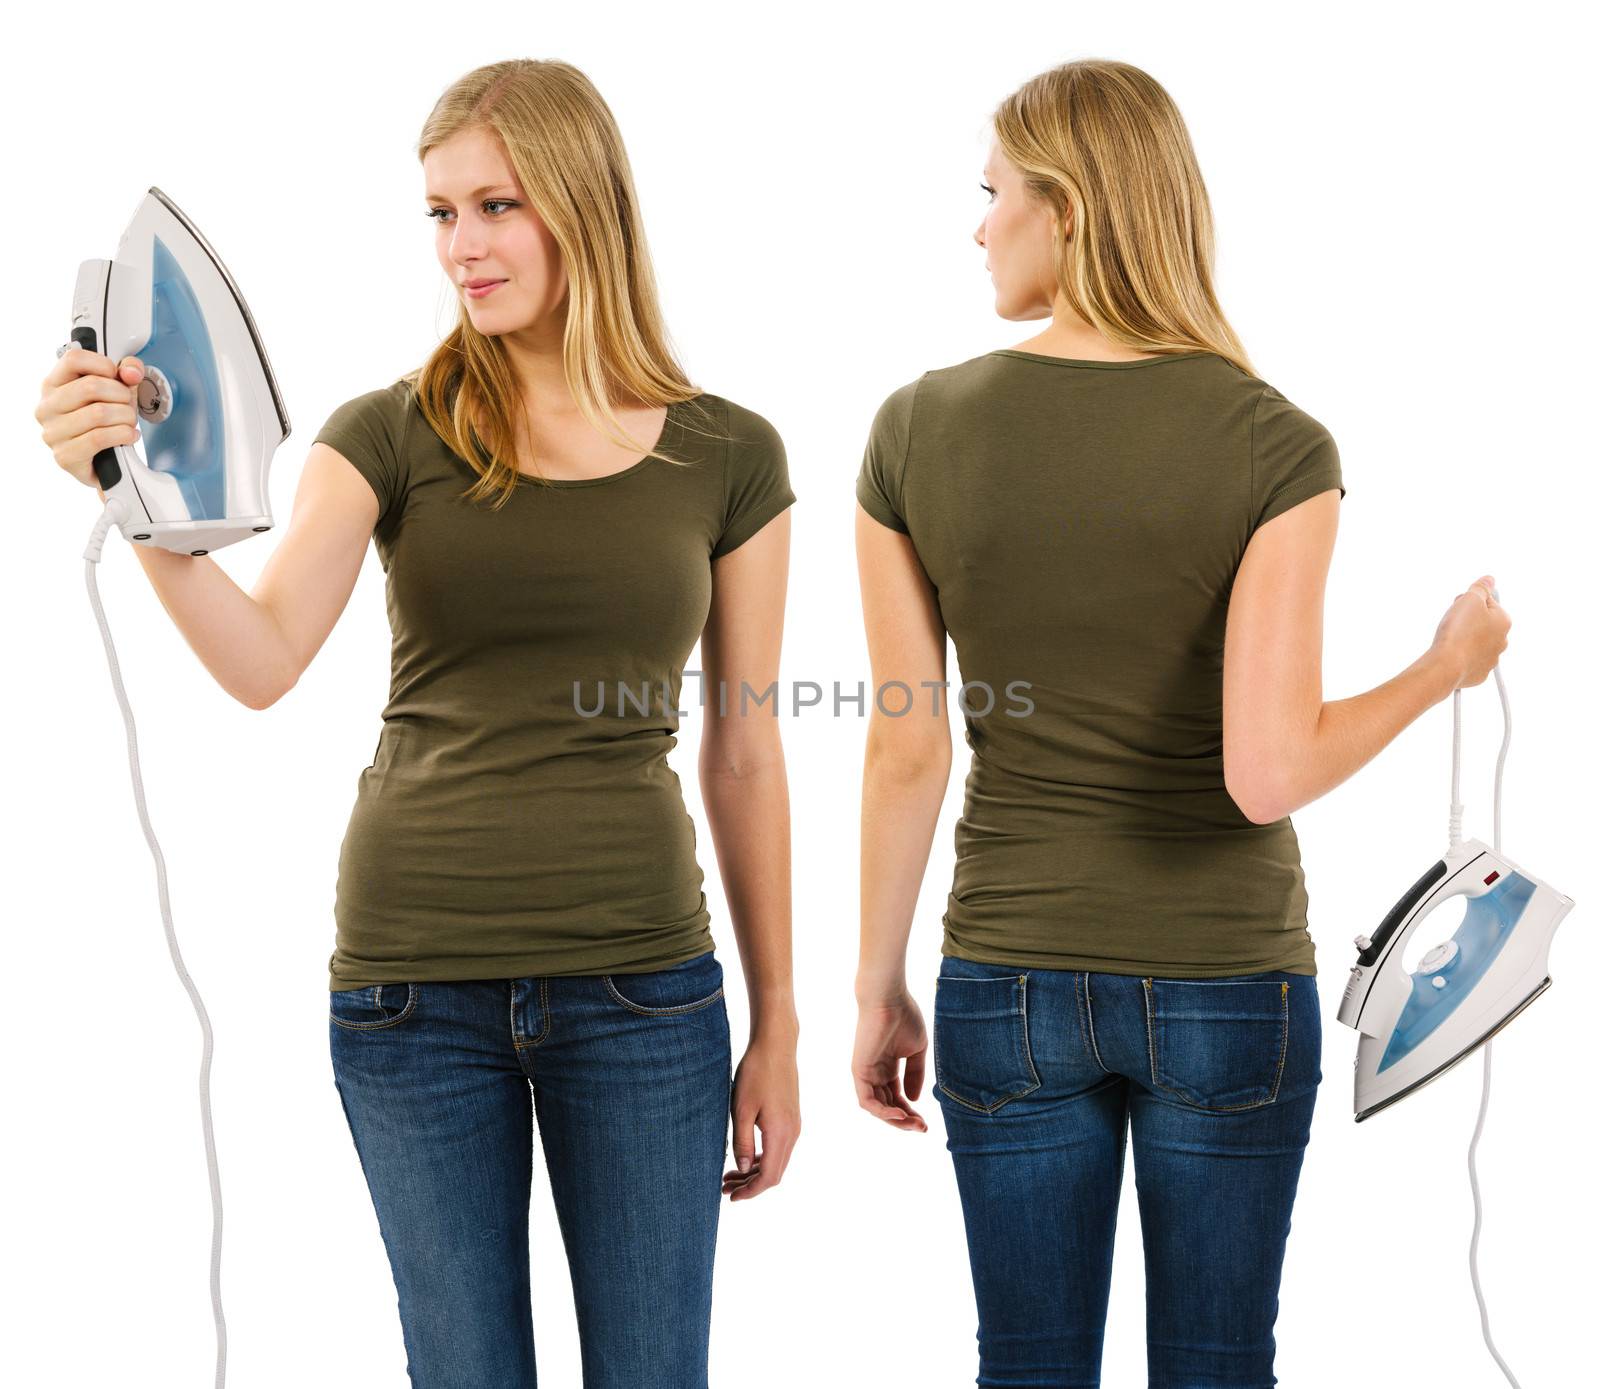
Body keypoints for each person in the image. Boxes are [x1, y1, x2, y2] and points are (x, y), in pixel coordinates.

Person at [38, 57, 800, 1389]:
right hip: (411, 993)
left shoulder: (729, 454)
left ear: (586, 205)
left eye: (495, 205)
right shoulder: (388, 431)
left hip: (642, 991)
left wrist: (778, 1017)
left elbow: (745, 749)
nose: (463, 246)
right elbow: (266, 656)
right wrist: (133, 499)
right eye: (439, 213)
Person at [849, 58, 1509, 1388]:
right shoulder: (1274, 444)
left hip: (1011, 981)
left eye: (995, 195)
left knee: (1027, 1366)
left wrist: (877, 984)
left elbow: (909, 747)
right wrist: (1446, 665)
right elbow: (1267, 772)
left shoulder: (915, 431)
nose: (979, 226)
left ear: (1071, 210)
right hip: (1224, 982)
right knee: (1218, 1365)